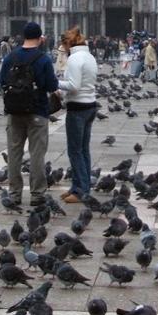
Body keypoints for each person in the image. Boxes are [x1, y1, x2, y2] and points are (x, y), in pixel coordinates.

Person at [0, 22, 59, 208]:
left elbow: (1, 81)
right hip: (37, 112)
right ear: (40, 38)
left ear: (23, 37)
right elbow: (51, 85)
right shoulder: (43, 59)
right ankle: (37, 194)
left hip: (14, 112)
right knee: (37, 154)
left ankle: (15, 194)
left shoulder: (11, 57)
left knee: (14, 154)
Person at [58, 27, 98, 204]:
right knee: (83, 149)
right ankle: (79, 186)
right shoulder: (89, 56)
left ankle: (80, 190)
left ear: (69, 43)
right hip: (90, 105)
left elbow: (74, 85)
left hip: (78, 108)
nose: (62, 50)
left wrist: (55, 83)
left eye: (63, 46)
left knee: (75, 150)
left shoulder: (74, 58)